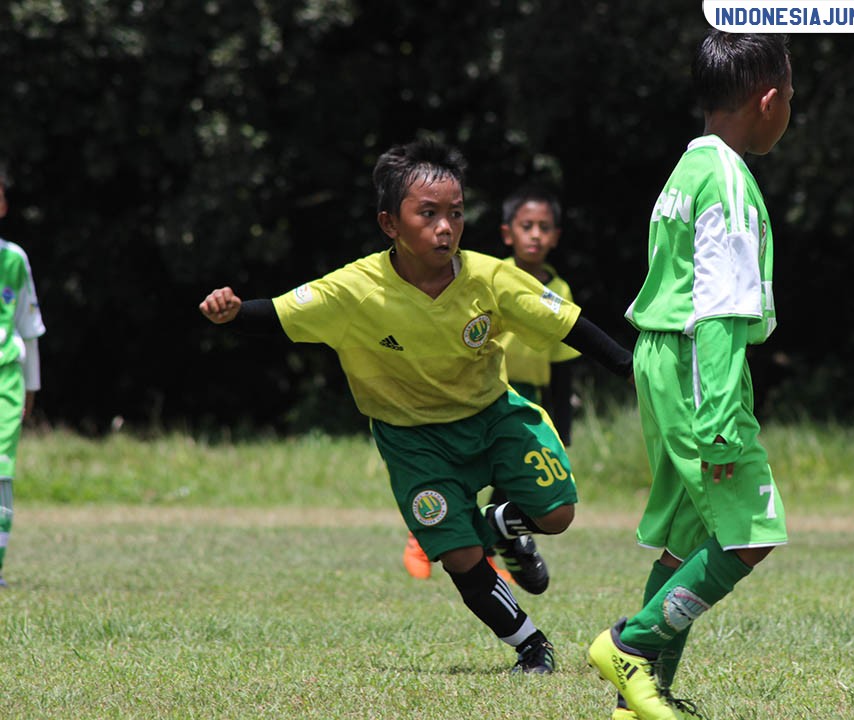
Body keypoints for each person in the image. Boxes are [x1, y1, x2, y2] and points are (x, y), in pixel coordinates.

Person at [199, 138, 632, 674]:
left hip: (492, 417)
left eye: (454, 214)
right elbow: (282, 313)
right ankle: (531, 646)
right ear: (390, 224)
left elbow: (570, 324)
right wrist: (233, 312)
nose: (445, 228)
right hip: (413, 440)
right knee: (458, 555)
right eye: (427, 214)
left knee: (558, 515)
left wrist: (631, 368)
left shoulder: (490, 278)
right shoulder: (355, 290)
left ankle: (495, 522)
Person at [586, 31, 793, 720]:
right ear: (767, 99)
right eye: (790, 95)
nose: (790, 107)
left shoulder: (689, 167)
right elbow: (718, 315)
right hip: (695, 369)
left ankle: (640, 697)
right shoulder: (730, 181)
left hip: (664, 362)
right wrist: (722, 426)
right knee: (750, 533)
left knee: (685, 543)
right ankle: (629, 645)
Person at [401, 184, 580, 586]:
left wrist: (561, 433)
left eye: (544, 227)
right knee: (463, 473)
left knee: (518, 485)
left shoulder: (560, 291)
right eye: (526, 225)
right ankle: (426, 532)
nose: (535, 234)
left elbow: (563, 366)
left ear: (555, 237)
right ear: (507, 233)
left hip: (527, 396)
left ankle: (500, 544)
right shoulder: (485, 277)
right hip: (480, 396)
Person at [0, 165, 47, 589]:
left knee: (0, 471)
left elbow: (28, 330)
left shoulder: (13, 259)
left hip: (5, 378)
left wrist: (31, 388)